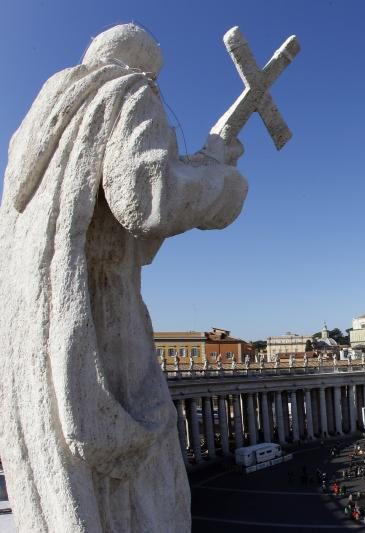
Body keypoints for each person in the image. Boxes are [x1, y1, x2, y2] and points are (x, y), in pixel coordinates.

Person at [0, 23, 247, 533]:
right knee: (147, 493)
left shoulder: (31, 134)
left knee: (65, 493)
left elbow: (117, 231)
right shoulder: (129, 89)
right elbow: (146, 199)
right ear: (146, 66)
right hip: (99, 327)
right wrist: (222, 177)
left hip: (29, 344)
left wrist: (201, 159)